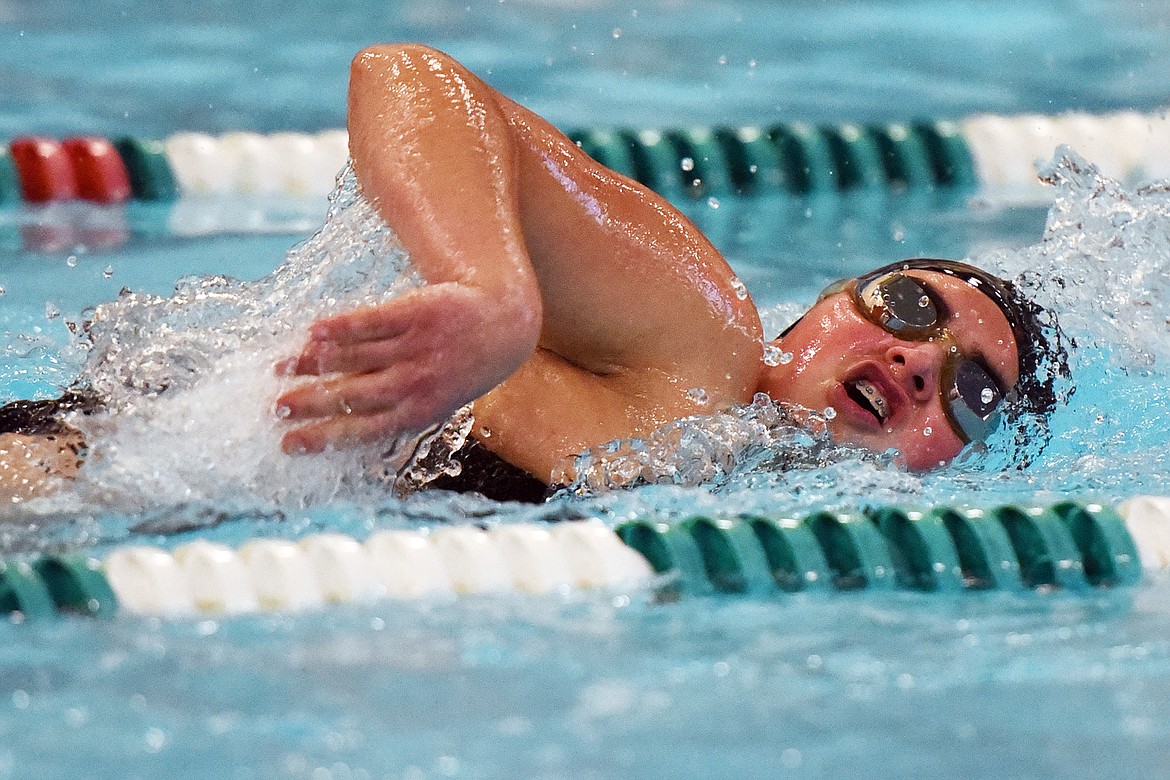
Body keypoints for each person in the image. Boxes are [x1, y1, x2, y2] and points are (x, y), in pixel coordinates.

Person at [0, 44, 1060, 505]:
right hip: (81, 467)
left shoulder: (731, 487)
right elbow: (410, 76)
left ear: (947, 466)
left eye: (971, 393)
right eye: (913, 310)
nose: (921, 363)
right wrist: (488, 296)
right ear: (824, 311)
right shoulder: (701, 335)